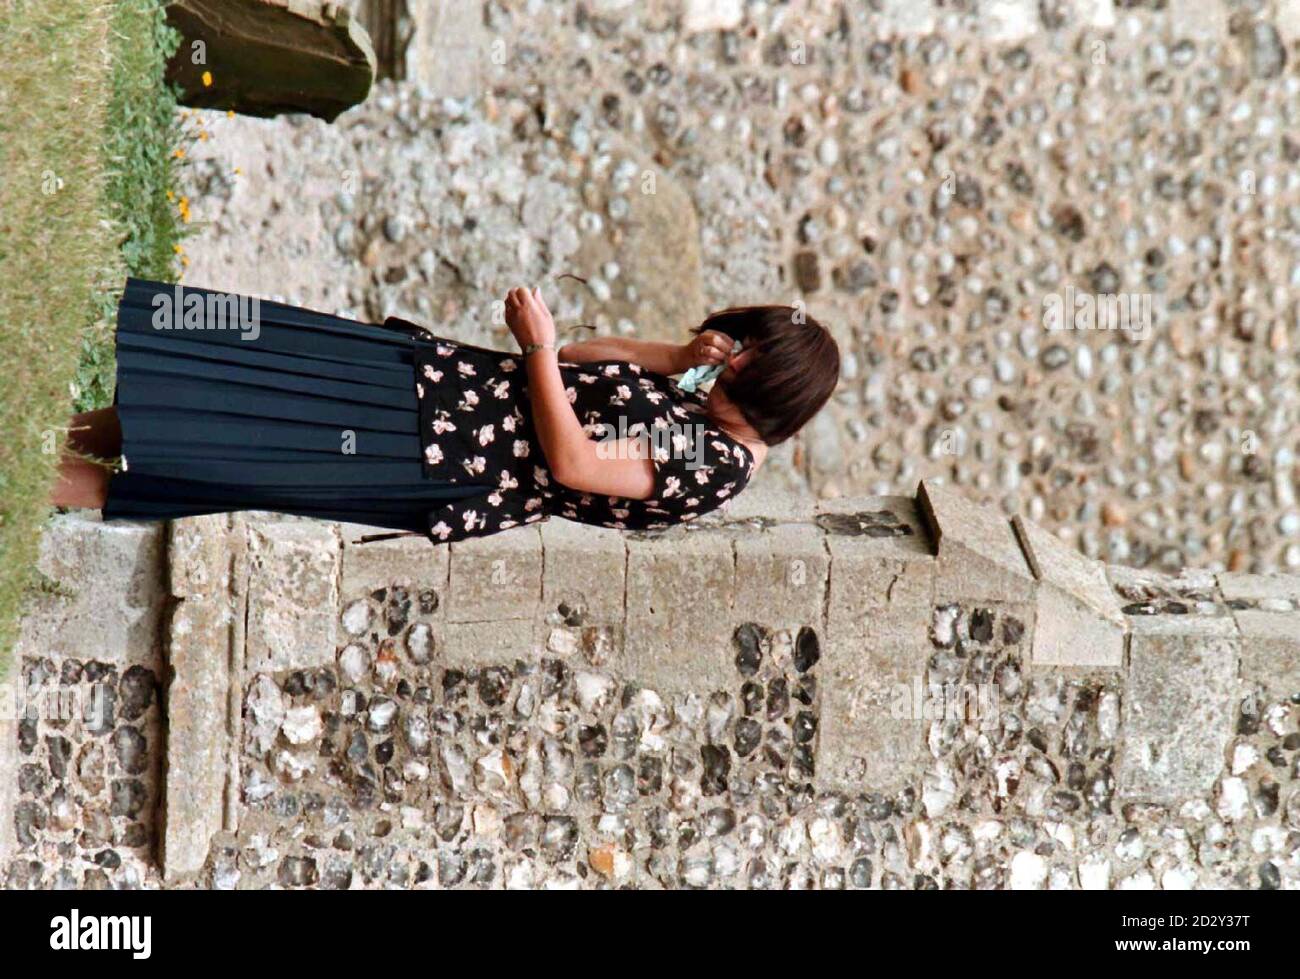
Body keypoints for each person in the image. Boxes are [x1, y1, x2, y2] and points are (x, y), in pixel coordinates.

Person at [53, 278, 839, 544]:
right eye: (736, 340)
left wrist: (534, 350)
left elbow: (575, 463)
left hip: (437, 456)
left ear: (774, 398)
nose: (727, 357)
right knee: (243, 381)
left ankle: (34, 476)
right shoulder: (700, 407)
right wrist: (670, 357)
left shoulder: (717, 465)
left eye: (743, 362)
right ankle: (43, 438)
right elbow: (574, 367)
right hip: (436, 382)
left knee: (237, 455)